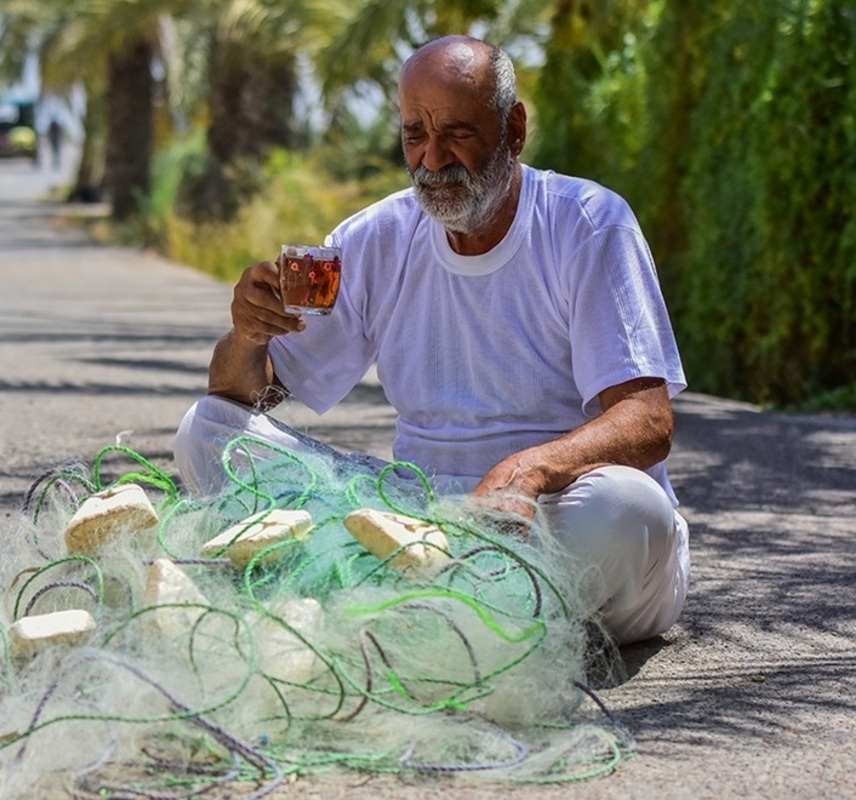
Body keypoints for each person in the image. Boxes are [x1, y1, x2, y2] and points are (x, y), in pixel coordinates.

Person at [173, 34, 690, 646]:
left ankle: (392, 600)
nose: (432, 158)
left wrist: (530, 471)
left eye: (457, 133)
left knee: (629, 508)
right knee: (206, 431)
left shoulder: (587, 223)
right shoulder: (376, 237)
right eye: (414, 133)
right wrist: (247, 333)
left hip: (553, 514)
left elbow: (648, 420)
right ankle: (445, 604)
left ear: (513, 130)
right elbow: (243, 399)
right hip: (420, 518)